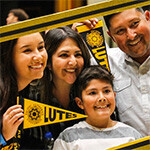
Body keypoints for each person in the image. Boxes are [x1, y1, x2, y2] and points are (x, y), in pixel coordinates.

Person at [72, 7, 150, 137]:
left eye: (134, 24)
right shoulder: (103, 63)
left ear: (148, 17)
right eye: (120, 31)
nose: (131, 35)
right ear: (112, 37)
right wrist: (74, 37)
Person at [53, 65, 142, 150]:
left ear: (114, 95)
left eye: (106, 91)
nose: (102, 98)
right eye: (93, 93)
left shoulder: (132, 135)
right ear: (80, 103)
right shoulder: (68, 138)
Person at [42, 26, 91, 140]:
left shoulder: (93, 92)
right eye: (64, 55)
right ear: (48, 62)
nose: (73, 62)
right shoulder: (32, 97)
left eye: (78, 55)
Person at [0, 32, 48, 149]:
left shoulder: (24, 90)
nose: (38, 56)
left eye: (41, 47)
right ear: (9, 56)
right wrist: (3, 136)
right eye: (27, 50)